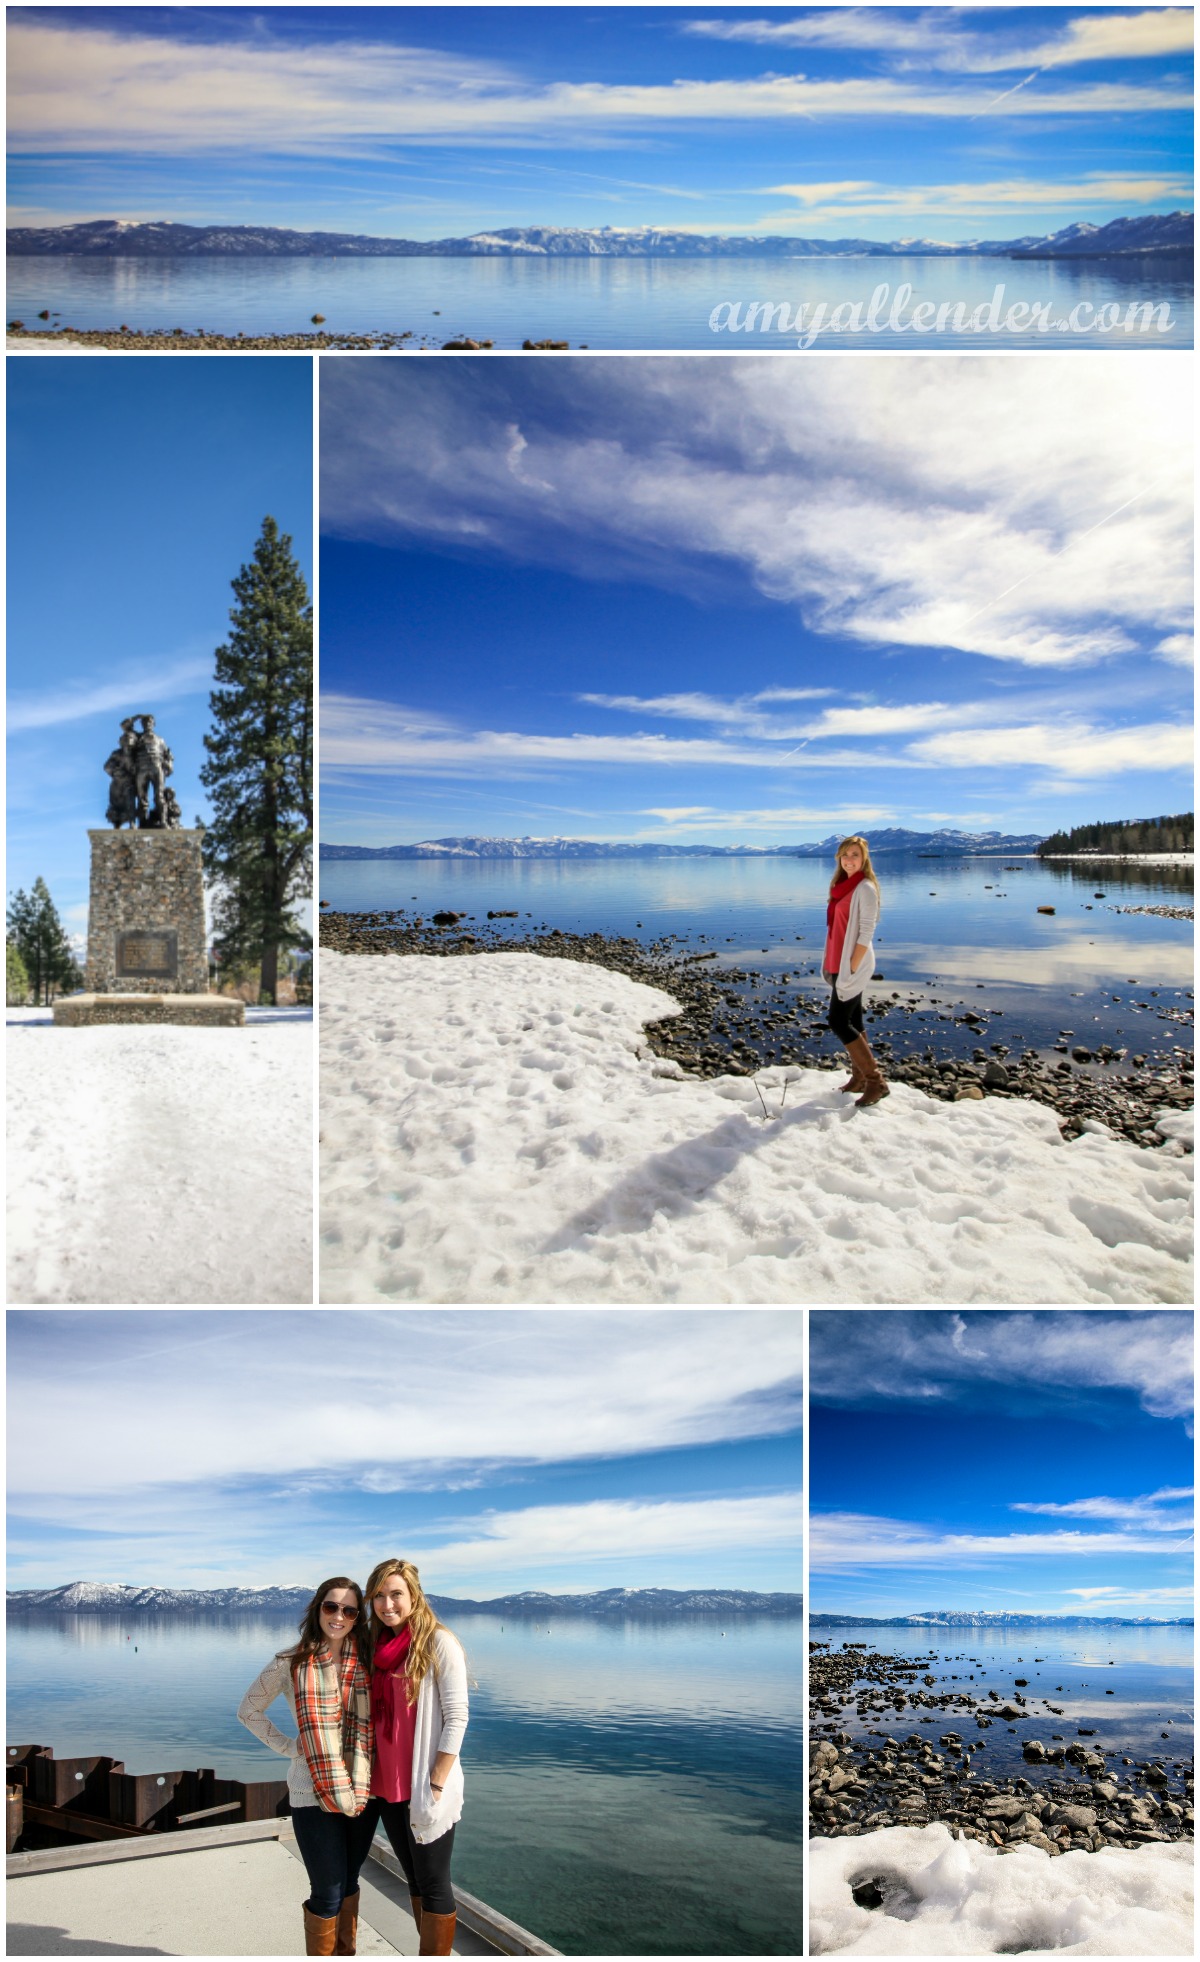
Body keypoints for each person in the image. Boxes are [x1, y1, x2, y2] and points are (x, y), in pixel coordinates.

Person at [238, 1578, 374, 1956]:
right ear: (318, 1609)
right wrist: (291, 1747)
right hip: (310, 1789)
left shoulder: (368, 1659)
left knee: (348, 1882)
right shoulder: (290, 1661)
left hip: (363, 1786)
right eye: (331, 1607)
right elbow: (248, 1711)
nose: (339, 1616)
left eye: (349, 1610)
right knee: (327, 1891)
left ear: (356, 1617)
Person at [363, 1559, 469, 1957]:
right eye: (379, 1596)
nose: (387, 1604)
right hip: (386, 1786)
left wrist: (436, 1783)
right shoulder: (378, 1647)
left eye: (396, 1594)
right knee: (413, 1878)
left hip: (424, 1785)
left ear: (414, 1596)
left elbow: (457, 1717)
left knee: (434, 1880)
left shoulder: (438, 1642)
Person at [822, 834, 887, 1107]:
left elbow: (866, 932)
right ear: (839, 857)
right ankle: (859, 1078)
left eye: (855, 855)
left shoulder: (865, 888)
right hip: (839, 960)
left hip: (853, 964)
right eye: (845, 855)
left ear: (864, 859)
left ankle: (876, 1082)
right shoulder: (842, 886)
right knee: (854, 1019)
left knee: (838, 1020)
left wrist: (852, 965)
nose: (850, 860)